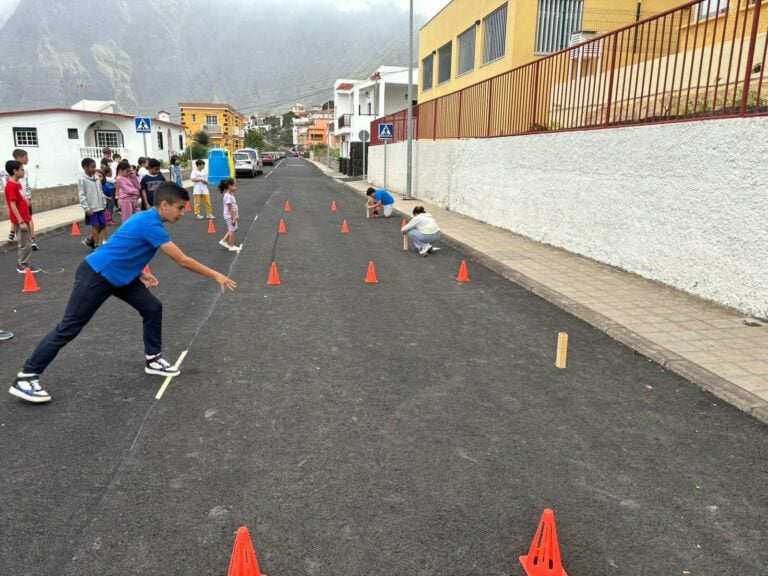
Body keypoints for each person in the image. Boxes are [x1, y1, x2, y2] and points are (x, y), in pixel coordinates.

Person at [9, 182, 237, 404]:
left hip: (119, 276)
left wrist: (139, 273)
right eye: (180, 208)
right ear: (164, 205)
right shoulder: (151, 224)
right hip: (97, 275)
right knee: (69, 327)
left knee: (152, 308)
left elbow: (122, 246)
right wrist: (216, 275)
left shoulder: (146, 218)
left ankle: (153, 358)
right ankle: (26, 377)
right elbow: (182, 260)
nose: (182, 213)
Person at [4, 160, 39, 273]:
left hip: (25, 217)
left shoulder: (17, 184)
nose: (24, 171)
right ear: (15, 171)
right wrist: (20, 221)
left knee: (27, 242)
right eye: (22, 170)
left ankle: (25, 263)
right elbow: (13, 205)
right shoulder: (11, 186)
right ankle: (22, 264)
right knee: (24, 243)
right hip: (20, 220)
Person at [5, 149, 37, 250]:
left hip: (23, 199)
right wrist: (20, 221)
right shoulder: (14, 172)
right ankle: (31, 240)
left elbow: (26, 185)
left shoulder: (22, 172)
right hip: (19, 202)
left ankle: (29, 239)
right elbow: (12, 204)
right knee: (25, 222)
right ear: (19, 157)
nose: (28, 159)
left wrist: (28, 196)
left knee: (28, 219)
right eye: (26, 157)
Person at [78, 158, 107, 250]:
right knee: (95, 226)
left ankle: (89, 240)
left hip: (100, 206)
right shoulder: (82, 180)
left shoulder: (97, 178)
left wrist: (104, 203)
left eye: (95, 167)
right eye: (92, 167)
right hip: (91, 207)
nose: (94, 169)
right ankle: (97, 245)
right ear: (85, 167)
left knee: (103, 224)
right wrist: (86, 208)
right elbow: (82, 194)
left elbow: (100, 191)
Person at [218, 178, 241, 253]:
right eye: (234, 185)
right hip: (230, 216)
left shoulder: (230, 194)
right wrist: (233, 218)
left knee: (233, 229)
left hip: (232, 216)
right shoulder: (228, 196)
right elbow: (230, 208)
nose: (236, 187)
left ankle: (224, 241)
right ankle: (231, 246)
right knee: (232, 230)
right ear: (229, 186)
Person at [93, 168, 111, 244]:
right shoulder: (92, 187)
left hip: (104, 208)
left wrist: (105, 197)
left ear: (103, 178)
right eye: (96, 176)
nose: (98, 178)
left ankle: (105, 240)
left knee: (104, 225)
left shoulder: (105, 187)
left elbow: (110, 198)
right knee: (95, 225)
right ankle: (95, 241)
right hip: (94, 208)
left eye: (100, 176)